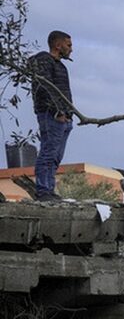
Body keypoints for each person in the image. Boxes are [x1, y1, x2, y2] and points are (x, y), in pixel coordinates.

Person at [28, 30, 74, 201]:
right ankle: (43, 191)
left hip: (65, 118)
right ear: (58, 45)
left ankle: (49, 189)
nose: (71, 49)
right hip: (51, 116)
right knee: (48, 153)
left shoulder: (61, 66)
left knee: (56, 157)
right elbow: (45, 88)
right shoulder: (43, 60)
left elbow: (64, 93)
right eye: (68, 45)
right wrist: (57, 112)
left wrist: (69, 114)